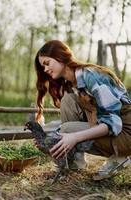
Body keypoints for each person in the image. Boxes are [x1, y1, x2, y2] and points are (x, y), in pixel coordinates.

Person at [34, 40, 131, 180]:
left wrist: (73, 137)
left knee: (67, 129)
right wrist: (44, 139)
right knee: (68, 101)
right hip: (115, 131)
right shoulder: (73, 83)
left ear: (61, 56)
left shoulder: (91, 76)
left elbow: (113, 123)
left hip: (126, 133)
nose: (45, 70)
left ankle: (120, 153)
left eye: (47, 63)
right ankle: (75, 161)